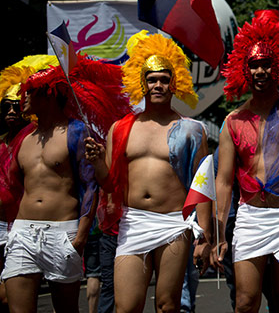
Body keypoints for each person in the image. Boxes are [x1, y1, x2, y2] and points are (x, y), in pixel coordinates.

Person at [86, 32, 213, 313]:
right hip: (133, 223)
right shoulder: (120, 128)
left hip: (173, 224)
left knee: (168, 305)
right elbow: (108, 182)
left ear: (174, 82)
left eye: (164, 79)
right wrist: (96, 162)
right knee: (126, 306)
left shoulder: (192, 129)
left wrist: (204, 238)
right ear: (141, 82)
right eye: (152, 79)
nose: (158, 85)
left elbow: (203, 186)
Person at [1, 56, 129, 313]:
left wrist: (80, 237)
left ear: (48, 94)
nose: (22, 98)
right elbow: (11, 188)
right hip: (23, 232)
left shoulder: (77, 132)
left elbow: (97, 185)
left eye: (29, 92)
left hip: (63, 233)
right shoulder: (24, 138)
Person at [211, 10, 279, 313]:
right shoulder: (233, 120)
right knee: (245, 301)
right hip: (251, 218)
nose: (259, 71)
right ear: (245, 70)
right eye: (254, 65)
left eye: (265, 64)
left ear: (276, 66)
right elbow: (224, 180)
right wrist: (218, 233)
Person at [0, 55, 57, 312]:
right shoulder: (2, 143)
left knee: (12, 298)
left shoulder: (33, 139)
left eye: (16, 106)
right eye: (5, 108)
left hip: (24, 227)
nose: (11, 112)